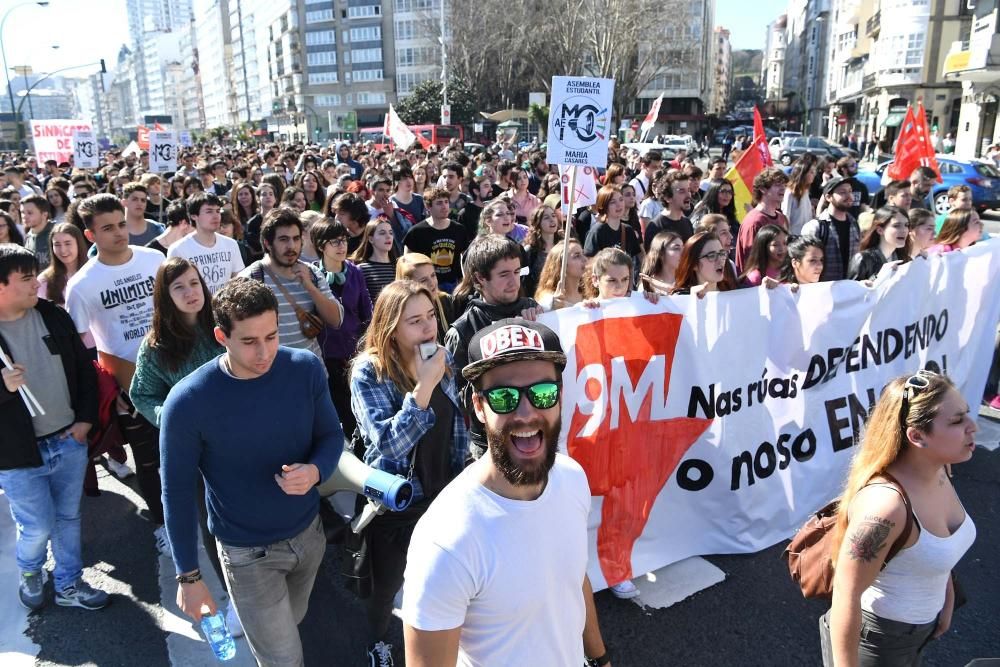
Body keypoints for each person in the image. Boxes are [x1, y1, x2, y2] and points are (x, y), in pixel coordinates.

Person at [401, 318, 612, 667]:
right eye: (504, 397)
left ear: (560, 398)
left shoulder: (573, 479)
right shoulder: (447, 540)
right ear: (479, 407)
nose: (526, 413)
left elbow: (572, 580)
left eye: (543, 393)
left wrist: (599, 657)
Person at [161, 277, 344, 667]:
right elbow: (175, 492)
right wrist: (189, 578)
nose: (265, 353)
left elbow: (331, 435)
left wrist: (314, 471)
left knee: (292, 622)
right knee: (283, 658)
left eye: (272, 336)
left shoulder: (305, 368)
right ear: (220, 336)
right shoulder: (188, 402)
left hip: (309, 536)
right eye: (249, 341)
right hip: (248, 555)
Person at [346, 280, 468, 666]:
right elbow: (389, 445)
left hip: (445, 495)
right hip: (399, 504)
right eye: (414, 321)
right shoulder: (369, 372)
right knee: (386, 587)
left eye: (431, 315)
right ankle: (378, 640)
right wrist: (424, 385)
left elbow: (457, 428)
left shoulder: (438, 356)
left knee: (445, 581)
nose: (429, 326)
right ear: (390, 328)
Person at [821, 371, 976, 666]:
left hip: (918, 632)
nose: (973, 427)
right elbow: (845, 595)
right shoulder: (885, 509)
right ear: (917, 436)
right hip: (879, 643)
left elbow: (932, 547)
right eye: (957, 421)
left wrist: (946, 591)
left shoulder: (939, 469)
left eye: (967, 415)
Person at [0, 244, 107, 612]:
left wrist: (85, 421)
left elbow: (84, 370)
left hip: (67, 439)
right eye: (27, 279)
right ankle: (30, 570)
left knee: (68, 519)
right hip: (17, 454)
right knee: (37, 527)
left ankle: (68, 584)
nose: (37, 285)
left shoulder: (52, 315)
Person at [65, 194, 170, 555]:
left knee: (197, 447)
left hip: (176, 372)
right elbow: (83, 351)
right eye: (107, 228)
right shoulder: (81, 285)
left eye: (121, 224)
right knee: (150, 462)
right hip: (131, 387)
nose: (119, 233)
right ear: (90, 235)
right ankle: (162, 524)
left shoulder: (155, 259)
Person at [446, 235, 541, 458]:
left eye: (517, 272)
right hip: (490, 444)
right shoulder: (462, 331)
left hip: (537, 432)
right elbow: (453, 399)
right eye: (504, 274)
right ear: (480, 279)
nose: (514, 282)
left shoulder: (535, 312)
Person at [239, 208, 344, 359]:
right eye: (283, 239)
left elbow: (336, 320)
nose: (291, 246)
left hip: (311, 373)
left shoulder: (312, 273)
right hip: (270, 375)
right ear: (268, 243)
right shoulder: (251, 279)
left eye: (296, 239)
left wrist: (310, 287)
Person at [166, 193, 245, 294]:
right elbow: (174, 288)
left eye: (217, 211)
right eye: (209, 211)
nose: (216, 216)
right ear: (194, 216)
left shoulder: (231, 244)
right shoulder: (178, 249)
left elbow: (240, 280)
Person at [402, 187, 470, 294]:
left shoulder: (459, 229)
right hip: (427, 286)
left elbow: (467, 259)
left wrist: (465, 283)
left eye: (446, 202)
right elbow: (406, 262)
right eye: (439, 203)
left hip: (454, 284)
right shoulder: (417, 232)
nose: (444, 206)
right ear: (428, 206)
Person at [802, 177, 861, 282]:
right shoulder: (816, 227)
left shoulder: (854, 224)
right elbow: (804, 263)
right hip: (824, 291)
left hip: (850, 289)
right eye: (842, 192)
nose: (849, 196)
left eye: (850, 191)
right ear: (828, 197)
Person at [734, 167, 790, 273]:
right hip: (757, 285)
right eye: (777, 185)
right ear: (763, 189)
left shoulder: (782, 218)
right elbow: (750, 261)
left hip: (778, 280)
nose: (783, 188)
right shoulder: (754, 221)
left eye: (784, 185)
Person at [396, 253, 455, 342]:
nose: (432, 283)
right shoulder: (402, 312)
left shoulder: (447, 301)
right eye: (423, 280)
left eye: (433, 275)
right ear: (408, 285)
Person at [583, 186, 642, 267]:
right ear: (603, 206)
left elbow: (634, 261)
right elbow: (589, 263)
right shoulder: (597, 232)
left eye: (621, 200)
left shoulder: (628, 230)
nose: (619, 205)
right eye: (613, 202)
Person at [848, 207, 910, 281]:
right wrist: (875, 278)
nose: (904, 230)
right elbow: (851, 290)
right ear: (880, 230)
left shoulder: (904, 259)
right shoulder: (863, 259)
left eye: (906, 225)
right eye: (896, 225)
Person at [351, 216, 399, 304]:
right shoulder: (361, 270)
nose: (388, 236)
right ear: (371, 239)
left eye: (391, 233)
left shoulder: (399, 266)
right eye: (382, 233)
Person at [671, 232, 735, 296]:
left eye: (722, 253)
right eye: (712, 256)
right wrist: (692, 299)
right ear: (694, 265)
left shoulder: (734, 292)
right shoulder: (679, 298)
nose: (720, 260)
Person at [533, 239, 588, 310]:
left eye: (583, 254)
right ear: (561, 264)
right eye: (577, 256)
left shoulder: (589, 293)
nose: (585, 259)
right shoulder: (549, 300)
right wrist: (552, 307)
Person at [645, 172, 694, 248]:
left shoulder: (687, 223)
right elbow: (652, 258)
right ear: (668, 198)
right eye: (682, 191)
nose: (688, 195)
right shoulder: (656, 226)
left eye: (688, 190)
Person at [523, 204, 562, 299]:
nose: (552, 220)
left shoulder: (564, 246)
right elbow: (524, 283)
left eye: (553, 216)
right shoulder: (530, 251)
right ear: (537, 223)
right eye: (546, 218)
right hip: (540, 300)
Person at [782, 155, 818, 235]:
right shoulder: (790, 192)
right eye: (811, 172)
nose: (814, 175)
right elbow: (785, 215)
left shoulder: (805, 191)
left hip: (806, 235)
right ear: (803, 174)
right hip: (794, 235)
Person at [21, 194, 55, 270]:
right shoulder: (28, 236)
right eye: (22, 212)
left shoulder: (56, 233)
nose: (24, 216)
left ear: (44, 215)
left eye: (30, 213)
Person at [331, 191, 370, 256]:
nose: (336, 218)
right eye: (336, 213)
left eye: (342, 214)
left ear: (355, 214)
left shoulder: (372, 233)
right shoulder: (339, 235)